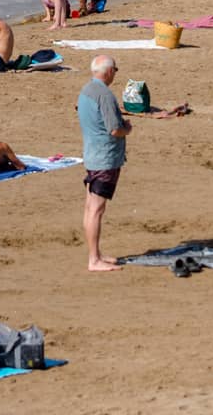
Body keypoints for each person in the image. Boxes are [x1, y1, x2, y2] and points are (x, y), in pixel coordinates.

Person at [77, 55, 132, 272]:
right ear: (108, 71)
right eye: (115, 70)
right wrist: (127, 128)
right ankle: (94, 259)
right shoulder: (104, 95)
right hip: (104, 158)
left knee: (91, 207)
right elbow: (114, 129)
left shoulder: (86, 91)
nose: (115, 74)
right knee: (96, 209)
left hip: (92, 155)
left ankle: (96, 254)